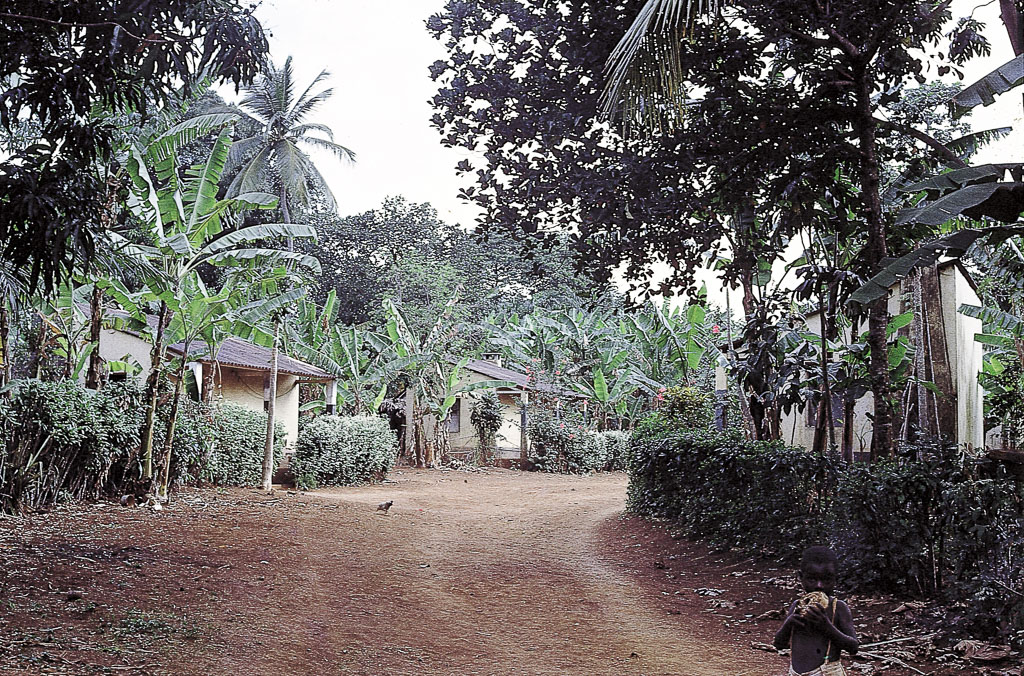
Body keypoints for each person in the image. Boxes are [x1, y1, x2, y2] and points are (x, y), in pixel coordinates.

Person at [774, 545, 859, 676]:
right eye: (812, 579)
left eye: (827, 579)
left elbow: (853, 647)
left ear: (836, 578)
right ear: (801, 577)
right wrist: (789, 623)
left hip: (827, 672)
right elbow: (778, 644)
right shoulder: (797, 606)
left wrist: (827, 627)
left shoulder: (838, 607)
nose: (819, 585)